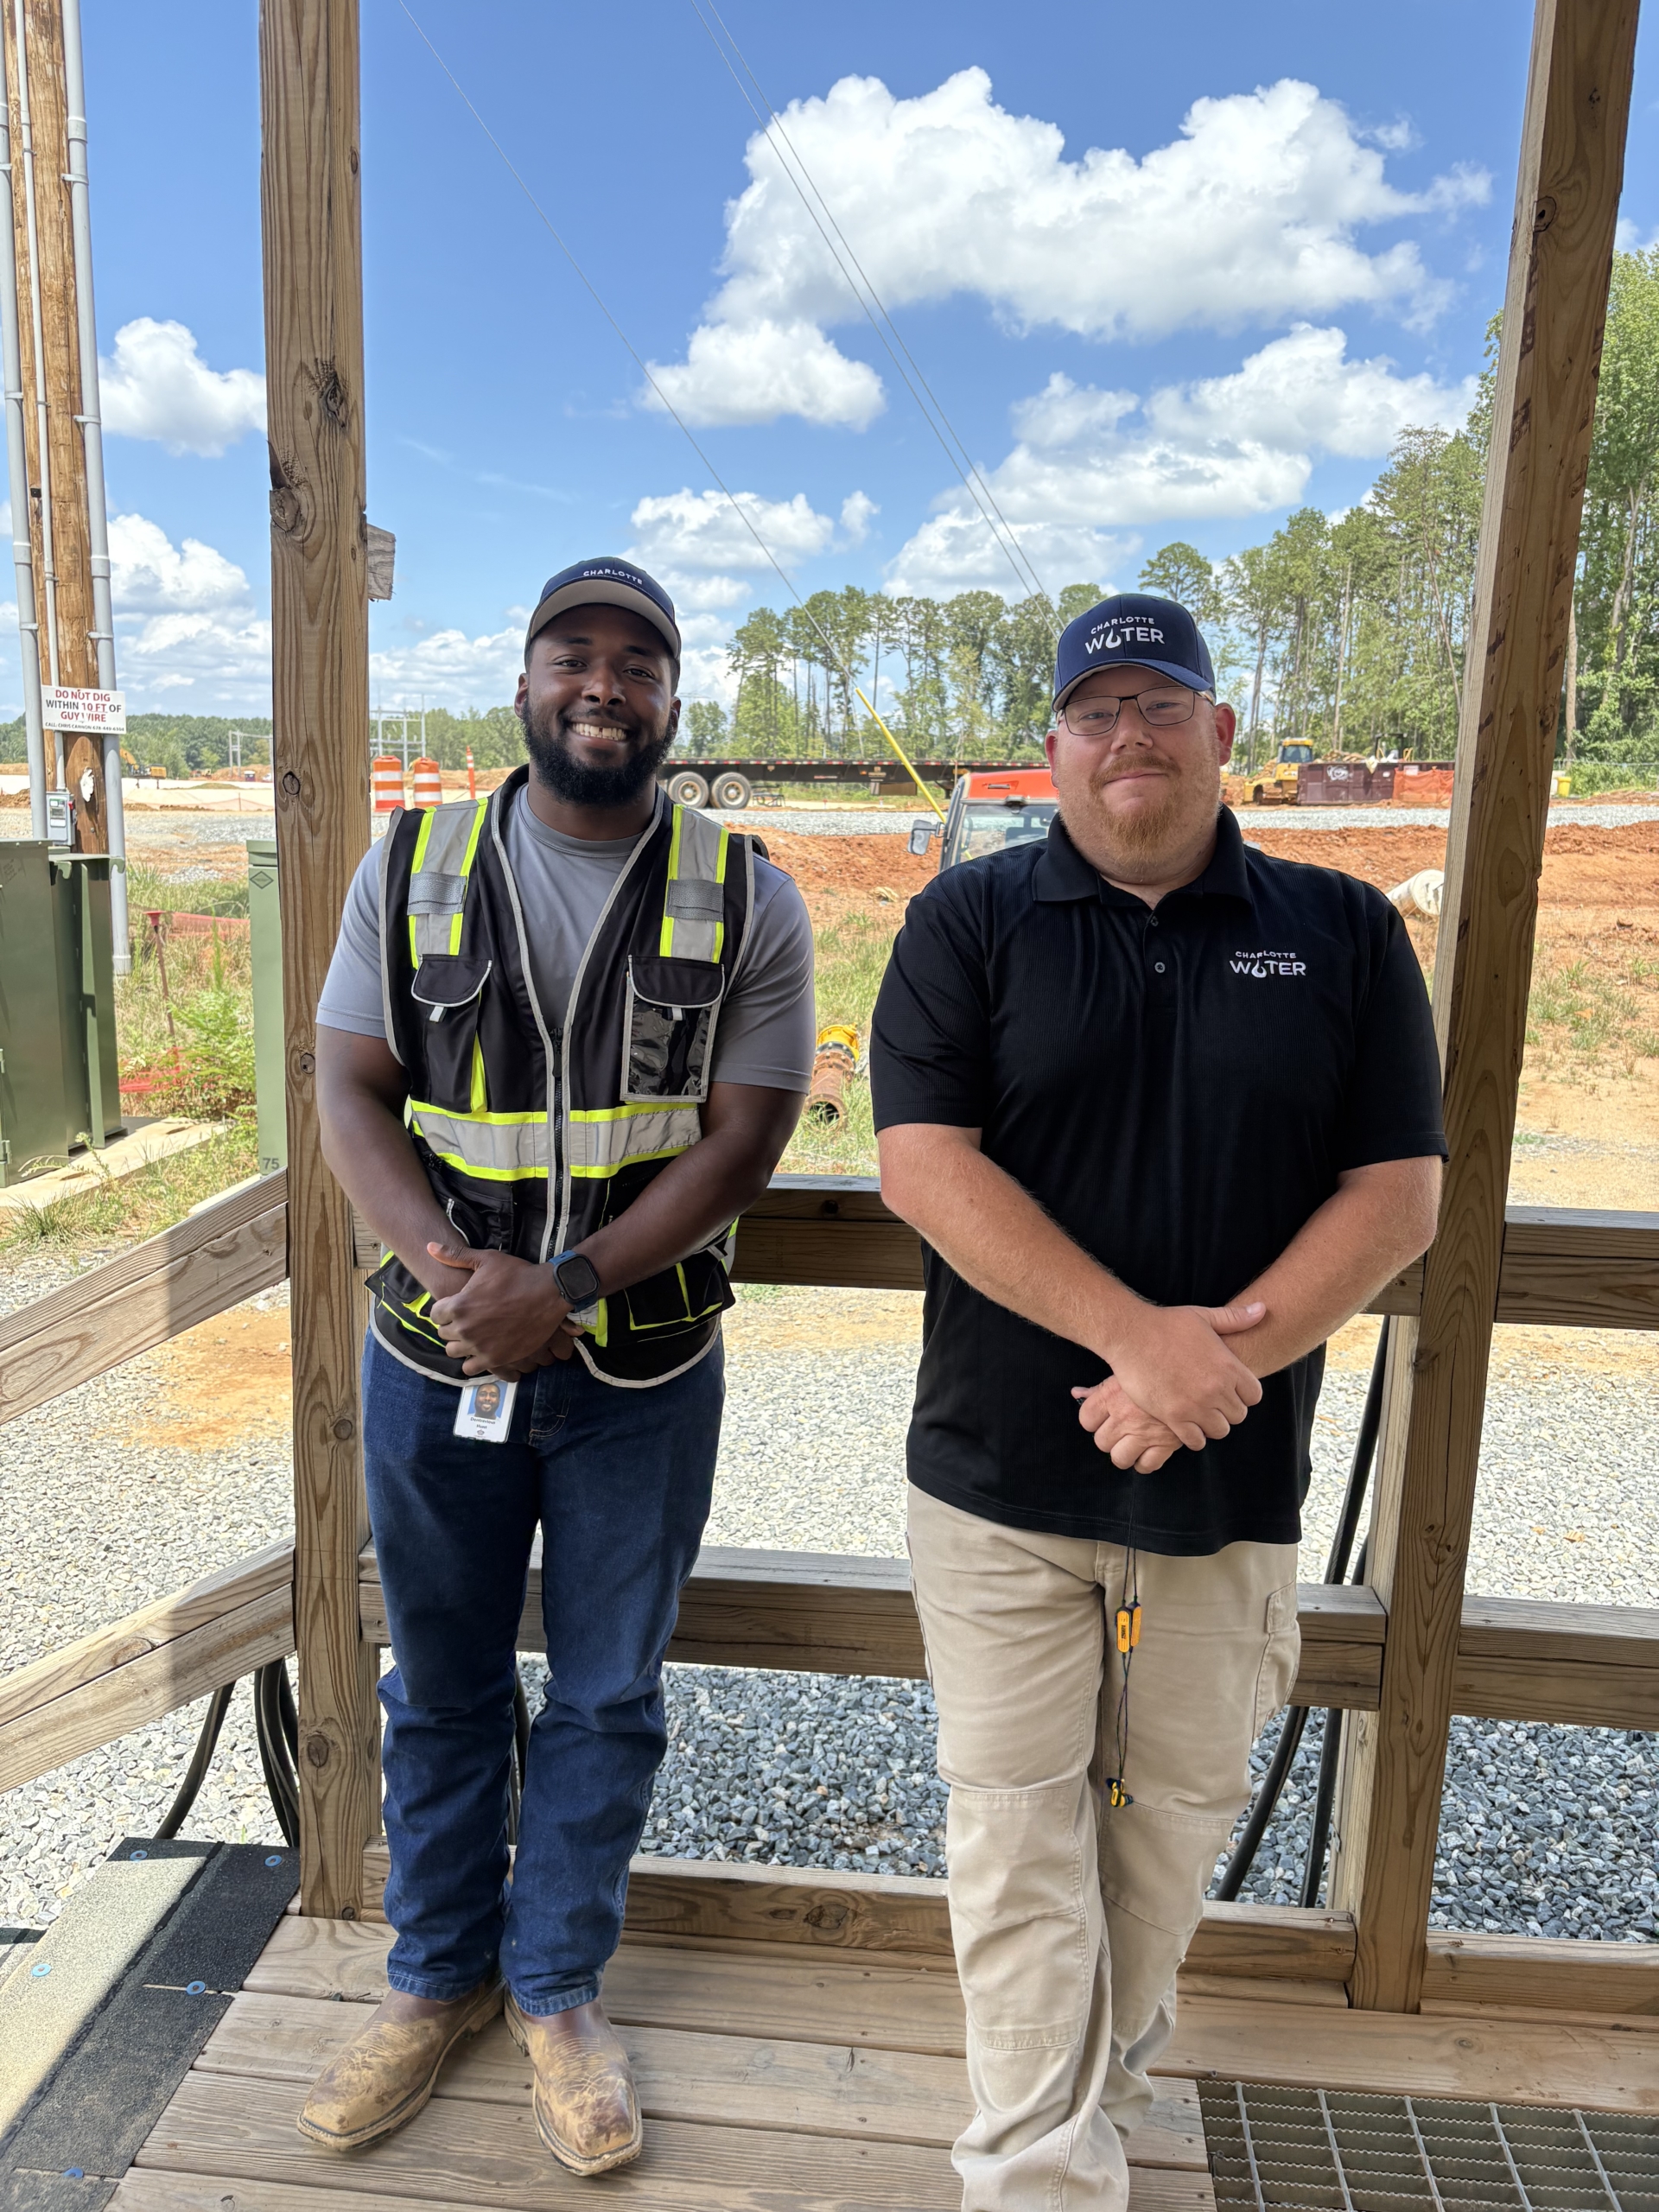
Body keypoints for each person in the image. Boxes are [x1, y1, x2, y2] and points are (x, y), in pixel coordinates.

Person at [870, 591, 1445, 2212]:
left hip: (1219, 1484)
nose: (1131, 735)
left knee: (1167, 1827)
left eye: (1161, 704)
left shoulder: (1339, 932)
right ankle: (1040, 2172)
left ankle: (1088, 2098)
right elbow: (922, 1167)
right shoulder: (968, 926)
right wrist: (1148, 1342)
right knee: (1016, 1838)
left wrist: (1213, 1369)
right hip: (998, 1484)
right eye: (1098, 709)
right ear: (1053, 748)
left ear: (1220, 732)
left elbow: (1396, 1197)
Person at [299, 557, 813, 2175]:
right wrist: (462, 1285)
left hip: (641, 1376)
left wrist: (570, 1290)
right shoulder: (415, 864)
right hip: (432, 1351)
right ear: (523, 682)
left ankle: (556, 1994)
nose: (604, 684)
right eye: (572, 655)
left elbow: (745, 1142)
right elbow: (349, 1088)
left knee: (605, 1696)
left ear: (672, 700)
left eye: (638, 664)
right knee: (438, 1683)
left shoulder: (746, 890)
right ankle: (432, 1981)